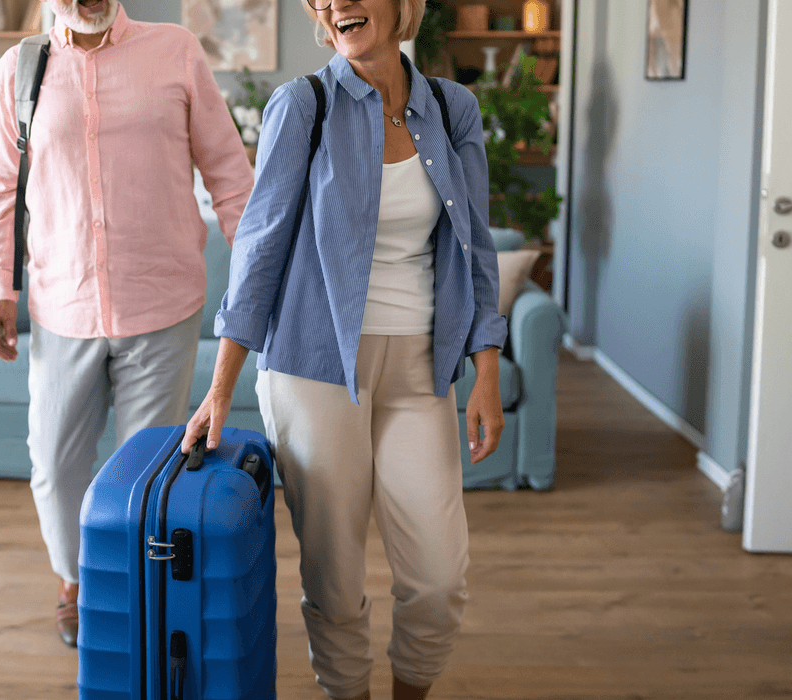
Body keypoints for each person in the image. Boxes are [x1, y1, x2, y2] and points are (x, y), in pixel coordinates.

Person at [183, 0, 506, 697]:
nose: (336, 4)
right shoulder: (303, 105)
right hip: (312, 366)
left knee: (438, 577)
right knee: (333, 577)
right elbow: (259, 252)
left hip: (421, 364)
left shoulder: (452, 110)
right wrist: (217, 391)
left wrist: (486, 370)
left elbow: (476, 247)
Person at [0, 0, 254, 648]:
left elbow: (229, 174)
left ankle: (129, 586)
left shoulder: (176, 51)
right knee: (52, 462)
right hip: (60, 304)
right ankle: (72, 578)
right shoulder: (20, 69)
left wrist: (253, 280)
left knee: (147, 469)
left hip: (161, 301)